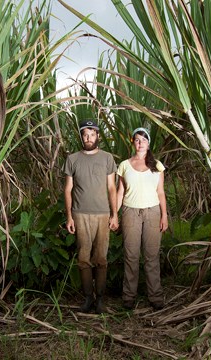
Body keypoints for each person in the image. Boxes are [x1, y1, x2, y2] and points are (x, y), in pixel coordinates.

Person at [64, 120, 119, 314]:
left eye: (92, 134)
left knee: (101, 258)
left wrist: (114, 214)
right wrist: (69, 217)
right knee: (83, 257)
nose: (89, 138)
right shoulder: (72, 159)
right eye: (85, 135)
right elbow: (68, 189)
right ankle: (87, 297)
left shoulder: (107, 158)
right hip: (80, 214)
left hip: (102, 213)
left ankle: (100, 299)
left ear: (97, 136)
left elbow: (112, 187)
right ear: (81, 136)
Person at [116, 127, 168, 310]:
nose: (140, 143)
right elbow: (120, 192)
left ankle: (155, 296)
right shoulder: (124, 165)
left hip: (153, 212)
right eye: (137, 140)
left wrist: (164, 215)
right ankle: (129, 296)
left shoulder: (157, 165)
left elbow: (160, 192)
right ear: (132, 142)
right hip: (130, 212)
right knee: (131, 255)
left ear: (148, 142)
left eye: (143, 139)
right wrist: (114, 215)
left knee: (151, 256)